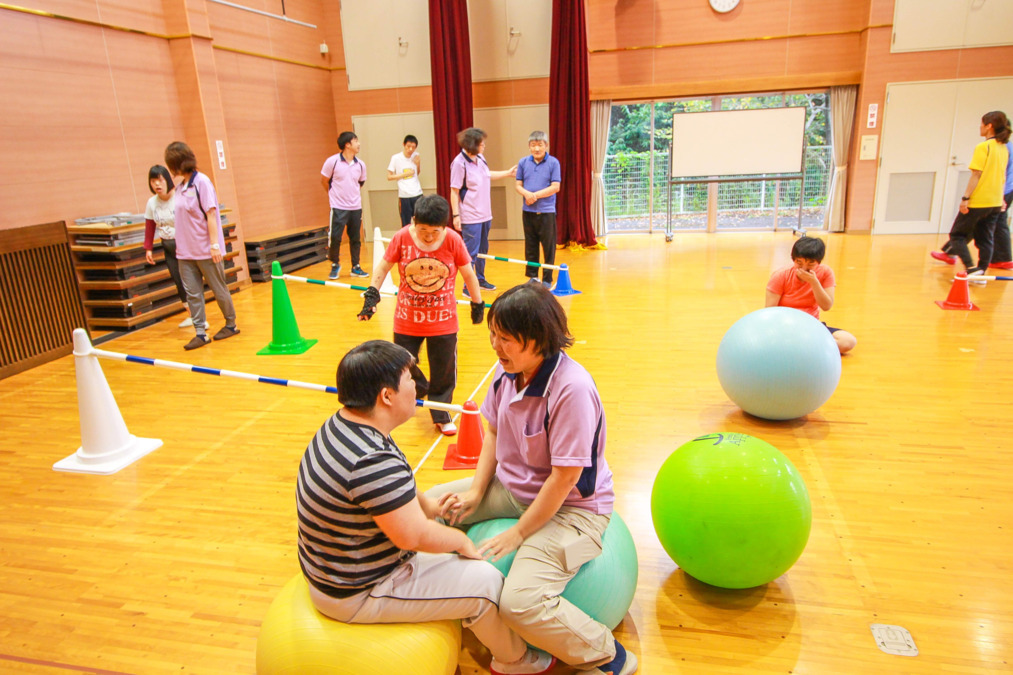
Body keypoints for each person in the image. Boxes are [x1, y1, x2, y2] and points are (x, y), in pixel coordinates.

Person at [296, 340, 555, 675]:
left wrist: (431, 506)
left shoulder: (346, 426)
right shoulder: (371, 459)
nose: (417, 385)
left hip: (336, 570)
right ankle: (515, 661)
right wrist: (462, 543)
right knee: (487, 585)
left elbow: (391, 492)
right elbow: (411, 536)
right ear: (386, 396)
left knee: (449, 541)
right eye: (409, 378)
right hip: (358, 589)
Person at [427, 284, 638, 675]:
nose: (495, 345)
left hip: (572, 511)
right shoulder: (507, 370)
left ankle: (608, 655)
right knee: (429, 508)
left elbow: (563, 480)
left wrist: (519, 533)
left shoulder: (571, 389)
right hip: (513, 489)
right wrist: (476, 491)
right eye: (494, 334)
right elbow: (492, 430)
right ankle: (429, 600)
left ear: (539, 339)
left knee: (520, 601)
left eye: (505, 339)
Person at [357, 195, 484, 436]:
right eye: (423, 229)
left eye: (434, 231)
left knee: (444, 372)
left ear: (444, 227)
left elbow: (469, 274)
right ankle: (422, 386)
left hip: (443, 321)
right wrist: (371, 295)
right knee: (400, 365)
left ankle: (441, 413)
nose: (428, 236)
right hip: (407, 319)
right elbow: (383, 267)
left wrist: (477, 304)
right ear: (414, 220)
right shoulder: (402, 237)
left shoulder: (453, 241)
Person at [164, 142, 239, 351]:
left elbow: (211, 214)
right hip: (185, 252)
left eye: (172, 165)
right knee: (193, 293)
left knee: (218, 288)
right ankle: (200, 333)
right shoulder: (179, 188)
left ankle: (231, 324)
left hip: (206, 248)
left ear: (180, 163)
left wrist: (215, 245)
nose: (171, 170)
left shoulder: (202, 182)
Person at [930, 111, 1010, 281]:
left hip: (980, 200)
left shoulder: (983, 147)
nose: (980, 127)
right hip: (995, 201)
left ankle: (972, 269)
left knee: (957, 235)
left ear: (989, 126)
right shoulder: (1003, 147)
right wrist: (1001, 198)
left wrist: (965, 198)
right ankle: (981, 271)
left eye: (982, 123)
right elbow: (1002, 175)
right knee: (985, 237)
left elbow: (976, 174)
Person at [449, 127, 517, 295]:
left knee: (483, 250)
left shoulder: (480, 157)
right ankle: (467, 286)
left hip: (485, 214)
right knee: (470, 252)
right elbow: (454, 190)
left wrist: (507, 173)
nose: (484, 146)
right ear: (472, 145)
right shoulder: (459, 163)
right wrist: (456, 215)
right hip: (470, 216)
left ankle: (479, 279)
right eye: (481, 143)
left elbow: (487, 175)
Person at [765, 236, 856, 355]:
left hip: (811, 324)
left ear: (818, 261)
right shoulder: (781, 275)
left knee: (848, 341)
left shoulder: (825, 273)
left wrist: (814, 282)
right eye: (799, 262)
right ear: (793, 260)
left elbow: (826, 306)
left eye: (811, 263)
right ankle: (807, 348)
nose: (804, 268)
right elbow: (770, 310)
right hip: (786, 326)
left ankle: (801, 348)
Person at [142, 165, 206, 330]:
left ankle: (201, 317)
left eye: (160, 180)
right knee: (178, 281)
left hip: (184, 243)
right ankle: (192, 316)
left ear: (167, 180)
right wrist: (148, 248)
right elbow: (150, 226)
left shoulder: (179, 196)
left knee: (191, 280)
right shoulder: (151, 203)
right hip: (168, 245)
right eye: (153, 181)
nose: (157, 184)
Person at [514, 131, 561, 288]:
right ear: (529, 147)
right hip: (528, 212)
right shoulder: (523, 162)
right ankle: (533, 277)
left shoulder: (553, 163)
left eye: (540, 145)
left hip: (546, 212)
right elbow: (518, 185)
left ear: (546, 145)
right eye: (533, 145)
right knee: (531, 245)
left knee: (548, 246)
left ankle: (547, 279)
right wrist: (527, 194)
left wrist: (535, 196)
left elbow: (555, 187)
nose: (536, 148)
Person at [321, 131, 369, 280]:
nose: (358, 144)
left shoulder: (360, 164)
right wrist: (334, 196)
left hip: (355, 207)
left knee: (355, 238)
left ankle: (356, 266)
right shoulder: (332, 161)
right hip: (338, 207)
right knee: (335, 237)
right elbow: (324, 180)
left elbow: (360, 182)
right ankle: (335, 264)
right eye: (356, 141)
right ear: (347, 144)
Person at [983, 137, 1013, 270]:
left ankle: (1003, 258)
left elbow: (999, 172)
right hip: (1006, 189)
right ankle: (1002, 259)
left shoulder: (1001, 147)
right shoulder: (1007, 146)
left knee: (986, 219)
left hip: (1003, 190)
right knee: (996, 220)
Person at [387, 134, 423, 228]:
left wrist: (418, 164)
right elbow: (389, 177)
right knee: (405, 223)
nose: (410, 149)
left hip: (417, 193)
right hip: (404, 195)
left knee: (421, 221)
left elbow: (417, 173)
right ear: (404, 144)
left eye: (413, 147)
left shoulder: (416, 156)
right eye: (408, 146)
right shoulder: (396, 158)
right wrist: (404, 175)